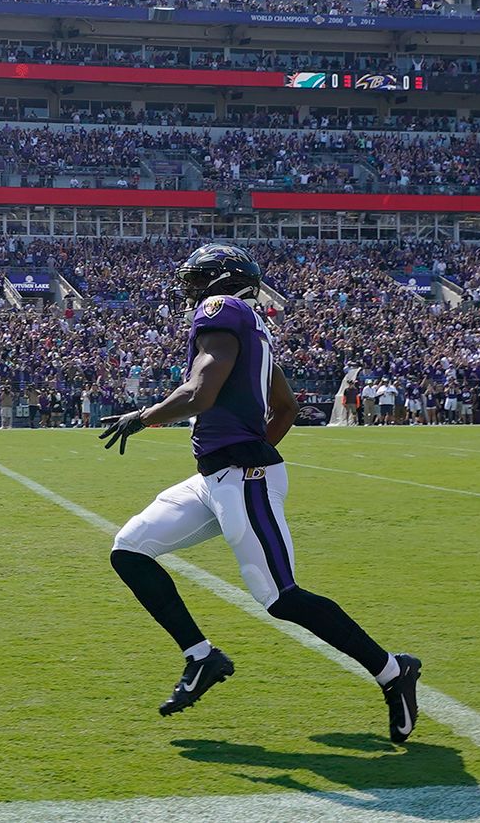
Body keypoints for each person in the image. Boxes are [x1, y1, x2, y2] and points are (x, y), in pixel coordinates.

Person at [97, 244, 421, 741]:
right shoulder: (255, 326)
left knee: (280, 597)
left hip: (242, 477)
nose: (190, 291)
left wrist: (142, 417)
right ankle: (202, 658)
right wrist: (243, 448)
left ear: (220, 281)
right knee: (130, 549)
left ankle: (392, 671)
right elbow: (286, 407)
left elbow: (200, 393)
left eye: (197, 280)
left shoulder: (221, 310)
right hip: (216, 478)